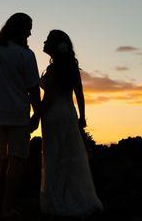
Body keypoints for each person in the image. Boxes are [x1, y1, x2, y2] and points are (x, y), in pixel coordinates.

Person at [0, 13, 41, 219]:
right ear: (20, 29)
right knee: (16, 160)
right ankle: (6, 208)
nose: (31, 33)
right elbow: (33, 89)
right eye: (29, 28)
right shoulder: (26, 55)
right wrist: (37, 115)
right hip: (19, 117)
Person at [38, 29, 103, 217]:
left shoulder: (53, 69)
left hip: (53, 116)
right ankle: (75, 196)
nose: (44, 42)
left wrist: (35, 116)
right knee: (69, 156)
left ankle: (58, 199)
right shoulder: (71, 67)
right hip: (68, 114)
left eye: (48, 40)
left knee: (55, 156)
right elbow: (79, 94)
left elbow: (48, 98)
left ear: (56, 46)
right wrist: (82, 117)